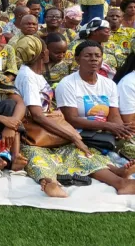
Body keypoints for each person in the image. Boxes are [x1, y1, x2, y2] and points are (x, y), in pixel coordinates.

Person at [13, 35, 135, 197]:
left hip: (52, 132)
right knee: (38, 157)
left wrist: (117, 128)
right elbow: (37, 115)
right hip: (35, 135)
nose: (93, 59)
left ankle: (120, 180)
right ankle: (50, 183)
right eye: (46, 48)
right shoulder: (29, 77)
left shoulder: (35, 74)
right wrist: (74, 136)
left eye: (97, 56)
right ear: (41, 53)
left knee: (80, 153)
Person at [57, 40, 135, 168]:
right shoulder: (67, 84)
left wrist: (121, 131)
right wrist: (108, 126)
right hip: (80, 135)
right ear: (77, 59)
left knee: (129, 145)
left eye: (97, 56)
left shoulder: (109, 84)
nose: (93, 59)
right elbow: (72, 119)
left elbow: (114, 115)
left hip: (106, 133)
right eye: (88, 56)